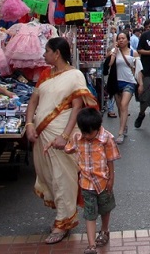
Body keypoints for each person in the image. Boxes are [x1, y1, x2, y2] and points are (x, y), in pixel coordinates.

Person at [25, 37, 98, 244]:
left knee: (62, 178)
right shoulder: (45, 75)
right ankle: (62, 215)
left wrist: (64, 136)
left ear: (57, 53)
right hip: (42, 135)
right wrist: (29, 124)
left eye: (47, 51)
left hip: (61, 135)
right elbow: (33, 101)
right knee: (49, 176)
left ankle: (63, 222)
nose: (44, 55)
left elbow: (77, 108)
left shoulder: (75, 76)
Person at [59, 107, 120, 254]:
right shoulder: (78, 138)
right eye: (84, 132)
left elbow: (110, 160)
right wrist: (53, 144)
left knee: (105, 209)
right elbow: (67, 148)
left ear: (97, 128)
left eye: (89, 133)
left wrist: (111, 179)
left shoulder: (107, 139)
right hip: (86, 184)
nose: (86, 136)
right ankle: (91, 245)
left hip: (103, 182)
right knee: (89, 213)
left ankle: (104, 230)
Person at [108, 32, 138, 144]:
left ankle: (120, 133)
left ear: (128, 40)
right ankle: (124, 126)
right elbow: (109, 64)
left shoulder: (133, 53)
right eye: (119, 38)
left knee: (124, 105)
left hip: (129, 82)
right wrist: (114, 51)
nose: (121, 40)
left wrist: (140, 83)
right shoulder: (114, 51)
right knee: (120, 107)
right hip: (116, 82)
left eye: (123, 38)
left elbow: (138, 70)